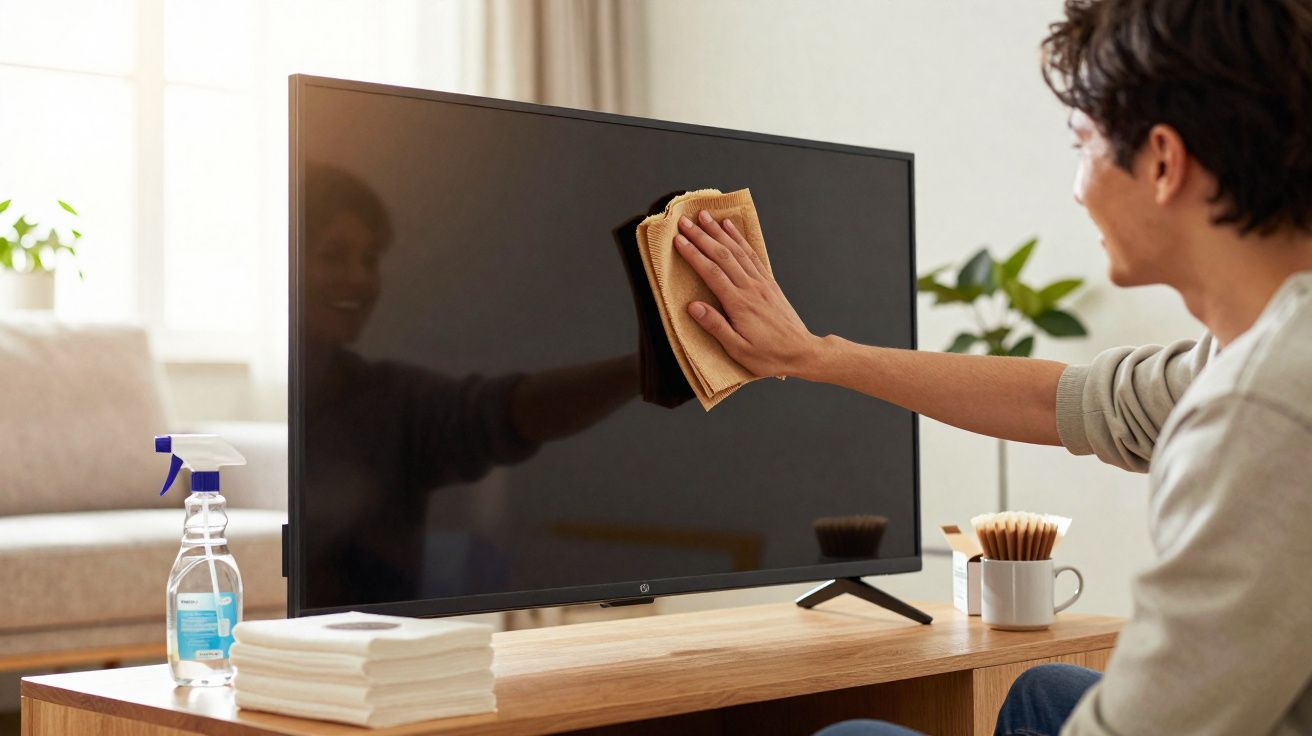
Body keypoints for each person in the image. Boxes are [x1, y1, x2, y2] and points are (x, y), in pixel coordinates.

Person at [671, 1, 1312, 734]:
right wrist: (813, 353)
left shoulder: (1263, 410)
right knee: (1044, 690)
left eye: (1083, 145)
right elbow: (1064, 403)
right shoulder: (1260, 345)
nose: (1077, 188)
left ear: (1163, 161)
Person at [301, 163, 639, 607]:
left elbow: (505, 411)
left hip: (388, 660)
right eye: (332, 255)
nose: (361, 279)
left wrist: (642, 369)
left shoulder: (392, 400)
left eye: (370, 259)